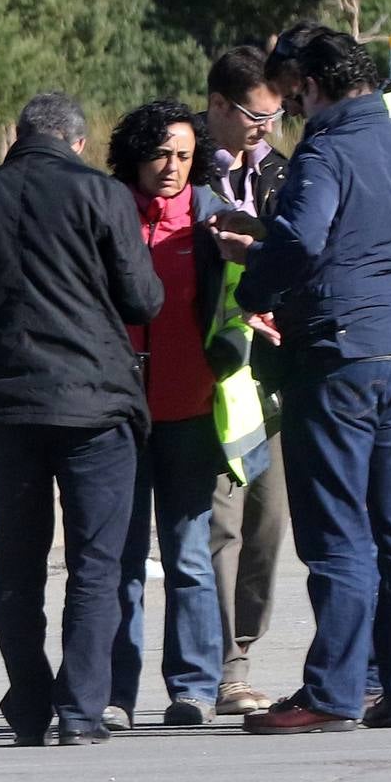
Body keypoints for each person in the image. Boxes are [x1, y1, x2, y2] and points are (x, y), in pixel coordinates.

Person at [211, 28, 391, 734]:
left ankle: (332, 692)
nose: (292, 113)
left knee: (337, 529)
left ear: (312, 87)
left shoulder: (326, 149)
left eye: (292, 99)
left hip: (340, 359)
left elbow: (305, 239)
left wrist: (254, 290)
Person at [0, 93, 163, 746]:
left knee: (16, 562)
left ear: (12, 137)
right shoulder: (103, 196)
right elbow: (142, 298)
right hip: (95, 410)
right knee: (95, 563)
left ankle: (28, 702)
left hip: (7, 411)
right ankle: (80, 712)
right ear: (77, 143)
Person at [103, 100, 242, 730]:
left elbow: (243, 302)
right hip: (117, 415)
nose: (172, 167)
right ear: (134, 155)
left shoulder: (212, 220)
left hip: (189, 410)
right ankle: (114, 692)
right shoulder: (104, 213)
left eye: (184, 155)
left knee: (188, 555)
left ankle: (194, 687)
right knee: (120, 560)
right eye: (160, 154)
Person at [202, 46, 290, 716]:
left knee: (268, 523)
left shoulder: (287, 176)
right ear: (217, 107)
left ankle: (244, 645)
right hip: (212, 379)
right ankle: (225, 666)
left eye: (273, 115)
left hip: (272, 382)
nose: (263, 127)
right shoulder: (179, 173)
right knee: (220, 525)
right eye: (253, 116)